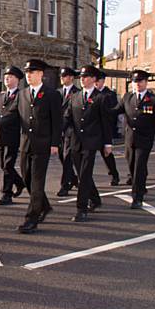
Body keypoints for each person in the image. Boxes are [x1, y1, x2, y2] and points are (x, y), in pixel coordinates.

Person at [112, 70, 155, 208]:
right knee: (132, 166)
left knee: (139, 166)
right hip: (129, 139)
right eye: (135, 81)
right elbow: (115, 110)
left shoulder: (154, 100)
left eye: (140, 81)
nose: (137, 84)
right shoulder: (128, 97)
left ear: (146, 82)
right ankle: (141, 185)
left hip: (145, 139)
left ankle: (137, 197)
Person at [16, 59, 61, 233]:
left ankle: (31, 218)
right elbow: (14, 115)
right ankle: (45, 206)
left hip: (43, 144)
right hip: (26, 144)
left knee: (37, 182)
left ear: (41, 74)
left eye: (32, 72)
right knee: (26, 178)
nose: (28, 75)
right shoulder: (22, 94)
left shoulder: (51, 95)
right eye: (27, 72)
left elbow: (57, 121)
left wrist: (55, 143)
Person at [63, 65, 113, 222]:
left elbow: (106, 122)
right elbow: (67, 117)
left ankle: (81, 208)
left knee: (84, 175)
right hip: (76, 141)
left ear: (93, 79)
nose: (82, 79)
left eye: (86, 77)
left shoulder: (101, 98)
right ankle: (95, 198)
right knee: (81, 173)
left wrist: (107, 143)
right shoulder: (75, 96)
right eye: (81, 77)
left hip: (92, 142)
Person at [0, 66, 25, 205]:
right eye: (5, 77)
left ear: (17, 79)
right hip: (0, 136)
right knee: (3, 165)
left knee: (8, 164)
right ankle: (20, 183)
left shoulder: (21, 96)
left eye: (10, 77)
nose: (7, 79)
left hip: (13, 135)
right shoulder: (0, 96)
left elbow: (13, 114)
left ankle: (6, 194)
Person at [56, 67, 80, 197]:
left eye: (64, 76)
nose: (61, 78)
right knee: (62, 158)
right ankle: (73, 179)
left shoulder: (77, 93)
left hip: (71, 131)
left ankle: (65, 185)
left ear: (71, 78)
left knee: (67, 158)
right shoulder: (58, 92)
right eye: (61, 75)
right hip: (59, 131)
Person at [95, 71, 121, 186]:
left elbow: (112, 113)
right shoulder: (91, 94)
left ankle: (114, 174)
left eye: (98, 81)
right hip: (92, 130)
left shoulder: (109, 94)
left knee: (107, 154)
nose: (95, 83)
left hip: (104, 129)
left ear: (103, 81)